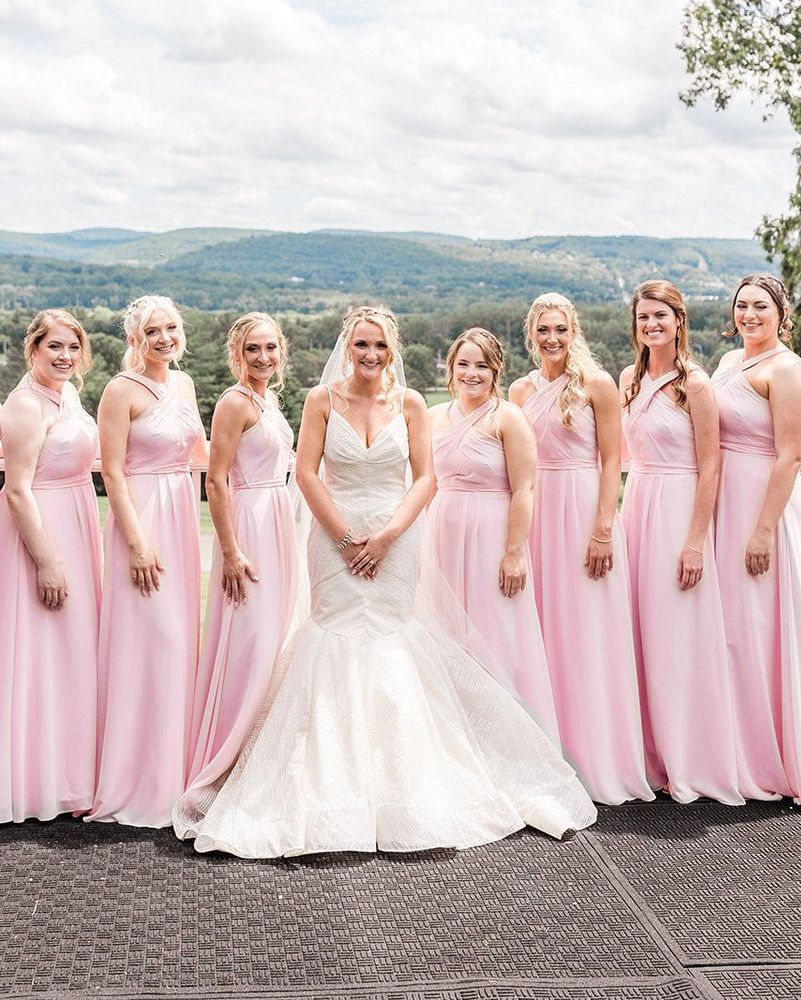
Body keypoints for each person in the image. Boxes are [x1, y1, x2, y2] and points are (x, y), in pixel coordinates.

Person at [174, 305, 596, 858]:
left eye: (379, 347)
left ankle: (405, 784)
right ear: (347, 348)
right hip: (334, 536)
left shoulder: (413, 404)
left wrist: (390, 535)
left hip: (397, 537)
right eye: (360, 346)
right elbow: (306, 472)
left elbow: (425, 477)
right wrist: (348, 538)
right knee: (334, 637)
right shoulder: (321, 401)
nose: (370, 355)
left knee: (395, 639)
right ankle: (328, 785)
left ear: (390, 350)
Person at [511, 294, 652, 805]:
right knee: (541, 632)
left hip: (582, 511)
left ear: (575, 331)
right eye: (543, 330)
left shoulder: (596, 385)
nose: (552, 339)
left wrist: (602, 530)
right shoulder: (520, 389)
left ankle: (598, 757)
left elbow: (613, 460)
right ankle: (547, 752)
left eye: (561, 330)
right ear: (532, 334)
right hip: (535, 513)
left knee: (587, 630)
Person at [712, 274, 801, 810]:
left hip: (762, 507)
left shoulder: (789, 372)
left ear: (782, 313)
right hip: (722, 506)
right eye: (742, 306)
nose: (749, 315)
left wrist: (763, 529)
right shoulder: (726, 364)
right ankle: (730, 751)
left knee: (759, 631)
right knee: (728, 632)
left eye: (760, 306)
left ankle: (769, 760)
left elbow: (789, 457)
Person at [174, 313, 298, 837]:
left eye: (271, 348)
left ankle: (263, 760)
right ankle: (227, 766)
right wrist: (229, 550)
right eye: (253, 349)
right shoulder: (232, 402)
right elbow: (217, 480)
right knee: (249, 645)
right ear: (237, 354)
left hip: (280, 523)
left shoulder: (268, 401)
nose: (263, 358)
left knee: (275, 645)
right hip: (248, 526)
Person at [0, 310, 102, 824]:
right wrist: (47, 561)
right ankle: (31, 784)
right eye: (54, 347)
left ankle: (71, 778)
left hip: (76, 516)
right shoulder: (26, 405)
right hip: (39, 529)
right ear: (33, 350)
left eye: (73, 347)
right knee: (37, 653)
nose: (65, 356)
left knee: (72, 655)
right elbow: (19, 489)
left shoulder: (66, 394)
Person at [619, 280, 742, 804]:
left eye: (660, 317)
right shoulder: (628, 378)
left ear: (678, 321)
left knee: (676, 634)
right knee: (638, 632)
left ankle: (687, 757)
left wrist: (695, 542)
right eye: (644, 317)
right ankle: (644, 755)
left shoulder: (695, 384)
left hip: (678, 508)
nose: (651, 325)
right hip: (638, 504)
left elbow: (712, 463)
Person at [87, 296, 206, 827]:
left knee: (179, 644)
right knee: (152, 642)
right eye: (152, 331)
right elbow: (111, 472)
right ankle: (136, 783)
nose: (164, 338)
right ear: (135, 339)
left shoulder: (184, 386)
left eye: (171, 328)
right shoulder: (119, 390)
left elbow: (202, 456)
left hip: (180, 516)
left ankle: (175, 775)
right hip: (142, 518)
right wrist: (135, 542)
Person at [426, 327, 561, 745]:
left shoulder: (508, 418)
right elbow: (426, 484)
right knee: (445, 637)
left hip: (492, 537)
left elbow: (525, 488)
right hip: (442, 536)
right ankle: (454, 743)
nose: (471, 373)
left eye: (481, 365)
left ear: (495, 370)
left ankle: (509, 743)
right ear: (451, 368)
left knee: (496, 635)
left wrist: (515, 552)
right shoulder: (434, 417)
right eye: (463, 364)